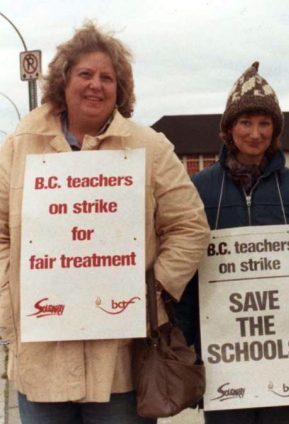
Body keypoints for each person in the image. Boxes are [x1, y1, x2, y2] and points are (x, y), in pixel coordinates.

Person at [0, 23, 210, 423]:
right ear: (63, 81)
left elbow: (189, 226)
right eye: (85, 74)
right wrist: (10, 298)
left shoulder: (149, 146)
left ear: (120, 88)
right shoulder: (18, 145)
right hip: (41, 358)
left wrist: (151, 290)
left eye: (107, 78)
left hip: (121, 362)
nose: (96, 85)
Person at [175, 61, 289, 424]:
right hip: (222, 354)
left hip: (283, 352)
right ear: (229, 129)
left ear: (275, 130)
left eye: (265, 123)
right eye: (245, 122)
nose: (255, 133)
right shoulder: (200, 189)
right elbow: (186, 272)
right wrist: (187, 344)